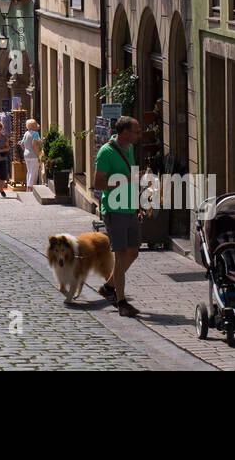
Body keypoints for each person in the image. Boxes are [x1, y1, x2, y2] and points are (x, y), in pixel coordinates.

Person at [94, 115, 142, 318]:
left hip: (129, 208)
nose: (139, 135)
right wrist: (124, 180)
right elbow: (98, 184)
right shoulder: (106, 152)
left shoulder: (129, 148)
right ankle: (121, 302)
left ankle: (108, 287)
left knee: (133, 253)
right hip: (114, 210)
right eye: (136, 131)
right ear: (124, 133)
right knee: (121, 256)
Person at [22, 118, 43, 188]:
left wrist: (26, 150)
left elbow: (21, 144)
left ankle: (28, 186)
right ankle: (30, 187)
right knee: (33, 172)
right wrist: (39, 154)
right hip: (33, 155)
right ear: (34, 126)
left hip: (26, 155)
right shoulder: (35, 134)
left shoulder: (26, 133)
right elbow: (34, 145)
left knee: (29, 171)